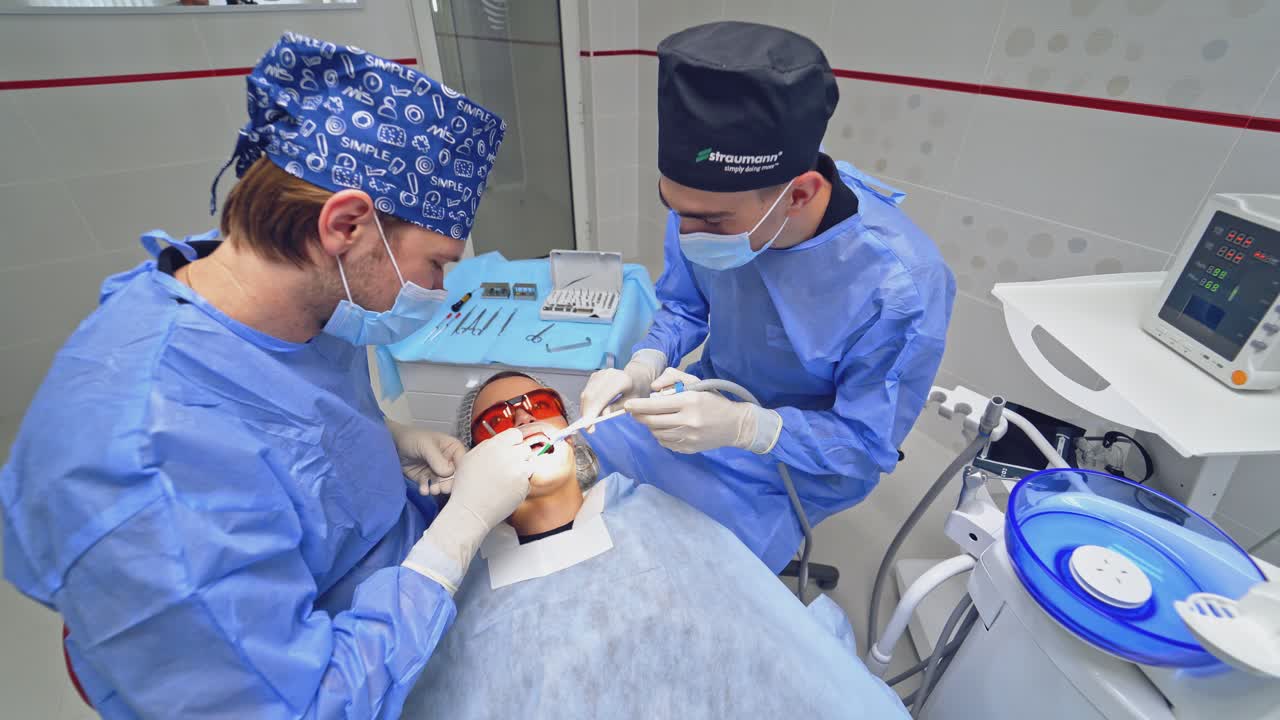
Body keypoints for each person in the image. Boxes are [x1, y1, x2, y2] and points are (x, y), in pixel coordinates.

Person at [1, 34, 534, 718]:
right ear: (346, 225)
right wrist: (455, 535)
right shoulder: (143, 471)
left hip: (366, 577)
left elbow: (288, 412)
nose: (441, 286)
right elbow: (304, 705)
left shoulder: (290, 296)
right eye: (437, 264)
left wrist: (385, 438)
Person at [578, 21, 956, 572]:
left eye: (710, 220)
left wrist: (747, 428)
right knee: (589, 462)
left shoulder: (900, 287)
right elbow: (685, 305)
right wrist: (643, 364)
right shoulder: (703, 205)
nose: (687, 233)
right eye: (674, 209)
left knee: (693, 574)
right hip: (709, 398)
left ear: (799, 193)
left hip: (802, 458)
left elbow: (861, 446)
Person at [401, 372, 909, 718]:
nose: (523, 420)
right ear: (473, 459)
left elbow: (772, 655)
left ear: (573, 432)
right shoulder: (455, 569)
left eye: (539, 405)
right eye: (497, 420)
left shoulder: (652, 513)